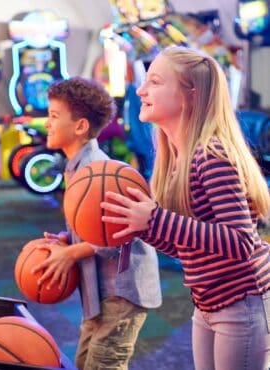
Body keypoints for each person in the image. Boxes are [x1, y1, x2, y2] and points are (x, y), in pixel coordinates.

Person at [100, 45, 270, 370]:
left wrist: (156, 219)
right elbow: (186, 245)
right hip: (207, 301)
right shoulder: (177, 159)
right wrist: (145, 228)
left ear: (189, 95)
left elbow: (240, 242)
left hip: (243, 301)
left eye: (155, 81)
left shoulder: (212, 156)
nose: (141, 90)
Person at [32, 76, 162, 370]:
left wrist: (71, 253)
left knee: (103, 364)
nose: (47, 123)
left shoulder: (99, 171)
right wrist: (68, 238)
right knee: (83, 362)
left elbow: (115, 234)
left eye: (54, 116)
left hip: (123, 288)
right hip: (100, 290)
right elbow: (92, 224)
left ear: (80, 127)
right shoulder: (77, 167)